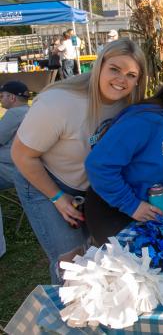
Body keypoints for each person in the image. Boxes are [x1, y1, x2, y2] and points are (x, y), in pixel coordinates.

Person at [11, 39, 146, 283]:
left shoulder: (127, 106)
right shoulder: (59, 103)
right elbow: (21, 155)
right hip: (44, 181)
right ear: (99, 67)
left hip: (87, 188)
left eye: (131, 74)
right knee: (70, 263)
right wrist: (57, 197)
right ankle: (63, 318)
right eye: (114, 69)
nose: (121, 79)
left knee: (95, 254)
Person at [85, 53, 163, 245]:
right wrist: (132, 206)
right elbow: (98, 165)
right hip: (115, 209)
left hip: (148, 209)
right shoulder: (145, 118)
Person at [0, 81, 30, 190]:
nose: (0, 99)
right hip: (24, 165)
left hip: (10, 168)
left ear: (12, 97)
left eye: (2, 96)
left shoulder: (14, 113)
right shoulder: (30, 110)